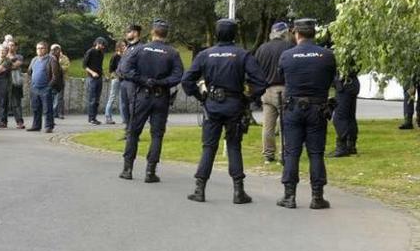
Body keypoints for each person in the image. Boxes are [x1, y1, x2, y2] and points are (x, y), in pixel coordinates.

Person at [182, 19, 268, 203]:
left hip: (212, 105)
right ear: (235, 34)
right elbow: (261, 82)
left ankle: (200, 189)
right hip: (234, 105)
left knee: (208, 147)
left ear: (217, 33)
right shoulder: (242, 55)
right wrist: (248, 98)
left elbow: (187, 80)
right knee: (234, 146)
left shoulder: (205, 55)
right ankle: (238, 191)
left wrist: (200, 96)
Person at [277, 18, 337, 209]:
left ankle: (289, 196)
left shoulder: (287, 55)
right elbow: (331, 79)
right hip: (317, 108)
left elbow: (281, 76)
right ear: (314, 34)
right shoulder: (327, 55)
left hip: (294, 108)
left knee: (292, 152)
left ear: (296, 33)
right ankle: (317, 197)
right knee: (316, 153)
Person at [118, 19, 184, 183]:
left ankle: (127, 169)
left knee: (133, 132)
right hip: (161, 96)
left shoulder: (139, 49)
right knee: (157, 135)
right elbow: (178, 76)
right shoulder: (172, 52)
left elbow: (125, 69)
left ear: (152, 32)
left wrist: (142, 80)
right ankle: (150, 171)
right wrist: (161, 83)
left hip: (142, 94)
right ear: (166, 34)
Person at [255, 21, 294, 163]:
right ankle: (285, 153)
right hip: (285, 89)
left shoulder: (262, 49)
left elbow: (256, 70)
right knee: (286, 124)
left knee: (268, 125)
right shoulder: (289, 47)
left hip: (266, 90)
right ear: (284, 33)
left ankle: (268, 154)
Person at [27, 41, 61, 133]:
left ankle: (49, 126)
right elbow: (29, 72)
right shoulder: (34, 60)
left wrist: (49, 86)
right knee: (35, 108)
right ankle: (36, 125)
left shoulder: (51, 59)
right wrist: (31, 83)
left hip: (45, 88)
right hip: (35, 88)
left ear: (46, 49)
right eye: (38, 48)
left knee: (47, 108)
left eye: (42, 48)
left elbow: (55, 75)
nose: (39, 50)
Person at [118, 24, 143, 138]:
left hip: (132, 82)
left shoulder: (141, 48)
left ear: (135, 33)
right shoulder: (128, 47)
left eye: (129, 32)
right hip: (123, 81)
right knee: (124, 107)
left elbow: (141, 66)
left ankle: (134, 133)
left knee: (132, 107)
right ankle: (128, 129)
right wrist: (118, 71)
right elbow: (122, 62)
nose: (126, 34)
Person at [329, 65, 361, 157]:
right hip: (351, 84)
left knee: (339, 118)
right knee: (350, 116)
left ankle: (342, 147)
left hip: (344, 86)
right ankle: (350, 145)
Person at [84, 37, 107, 124]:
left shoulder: (101, 54)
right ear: (98, 43)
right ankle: (91, 119)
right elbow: (84, 66)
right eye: (102, 45)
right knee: (92, 99)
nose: (103, 47)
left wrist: (104, 75)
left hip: (99, 78)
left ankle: (94, 117)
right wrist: (92, 73)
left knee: (97, 100)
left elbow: (100, 66)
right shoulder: (90, 52)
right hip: (91, 79)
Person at [104, 40, 126, 124]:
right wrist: (116, 76)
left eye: (125, 46)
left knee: (123, 99)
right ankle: (108, 117)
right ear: (119, 47)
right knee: (112, 98)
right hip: (116, 79)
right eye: (123, 46)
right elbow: (111, 70)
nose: (124, 47)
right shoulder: (115, 56)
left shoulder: (125, 56)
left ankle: (124, 118)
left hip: (123, 80)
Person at [7, 41, 26, 129]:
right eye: (9, 45)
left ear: (16, 47)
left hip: (16, 83)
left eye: (12, 45)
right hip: (5, 82)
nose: (10, 47)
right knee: (3, 103)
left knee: (16, 103)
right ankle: (2, 121)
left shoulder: (19, 56)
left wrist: (5, 65)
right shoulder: (3, 55)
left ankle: (19, 122)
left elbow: (16, 66)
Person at [50, 44, 70, 119]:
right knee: (51, 97)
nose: (54, 51)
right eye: (53, 49)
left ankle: (60, 113)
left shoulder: (64, 58)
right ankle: (53, 113)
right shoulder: (50, 57)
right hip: (52, 80)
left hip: (61, 80)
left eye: (56, 49)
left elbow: (66, 66)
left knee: (60, 97)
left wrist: (57, 67)